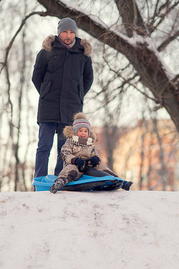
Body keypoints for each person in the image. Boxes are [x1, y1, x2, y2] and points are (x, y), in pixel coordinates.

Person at [32, 17, 94, 178]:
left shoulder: (83, 54)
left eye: (72, 32)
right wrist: (47, 92)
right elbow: (36, 77)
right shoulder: (47, 51)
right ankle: (39, 180)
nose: (68, 35)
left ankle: (60, 179)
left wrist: (77, 94)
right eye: (65, 32)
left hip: (71, 110)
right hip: (48, 108)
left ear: (75, 34)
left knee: (64, 147)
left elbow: (88, 79)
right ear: (59, 33)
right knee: (44, 146)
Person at [49, 112, 133, 193]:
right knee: (70, 169)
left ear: (88, 133)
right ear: (75, 132)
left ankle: (120, 181)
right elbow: (65, 154)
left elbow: (95, 154)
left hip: (89, 166)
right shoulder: (69, 142)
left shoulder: (90, 145)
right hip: (76, 165)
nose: (83, 133)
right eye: (80, 131)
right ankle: (60, 182)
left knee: (102, 167)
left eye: (85, 131)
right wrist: (75, 160)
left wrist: (95, 159)